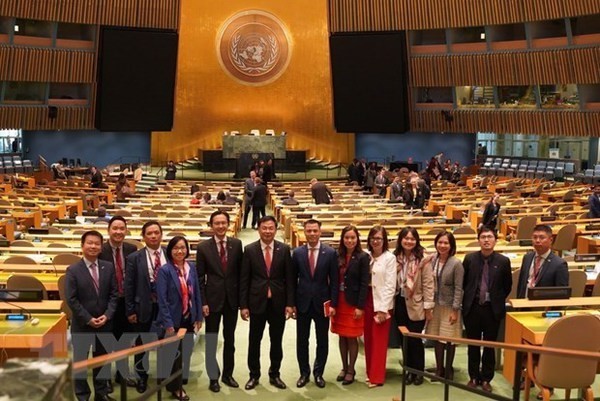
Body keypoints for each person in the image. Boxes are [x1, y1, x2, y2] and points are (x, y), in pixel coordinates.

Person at [239, 216, 295, 390]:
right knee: (254, 341)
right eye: (264, 228)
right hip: (256, 302)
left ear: (276, 229)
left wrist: (290, 303)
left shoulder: (284, 249)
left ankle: (275, 374)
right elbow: (244, 280)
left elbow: (290, 279)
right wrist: (244, 305)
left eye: (271, 228)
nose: (268, 231)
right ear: (259, 229)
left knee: (276, 341)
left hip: (278, 303)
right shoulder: (249, 250)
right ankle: (254, 375)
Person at [66, 230, 118, 401]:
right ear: (82, 245)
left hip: (105, 324)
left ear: (101, 247)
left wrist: (108, 315)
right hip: (82, 325)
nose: (93, 246)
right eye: (89, 242)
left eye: (97, 243)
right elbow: (71, 299)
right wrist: (88, 318)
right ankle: (82, 396)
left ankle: (101, 394)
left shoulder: (108, 267)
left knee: (102, 362)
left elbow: (114, 294)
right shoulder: (73, 269)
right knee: (81, 362)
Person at [196, 211, 243, 393]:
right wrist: (203, 302)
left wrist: (242, 301)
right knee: (211, 339)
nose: (221, 226)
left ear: (228, 224)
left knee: (230, 339)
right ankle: (213, 377)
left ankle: (228, 374)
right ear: (211, 225)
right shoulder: (203, 247)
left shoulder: (237, 245)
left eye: (224, 223)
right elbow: (200, 278)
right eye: (217, 223)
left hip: (232, 300)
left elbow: (241, 275)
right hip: (212, 300)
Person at [462, 227, 512, 392]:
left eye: (489, 237)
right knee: (473, 345)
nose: (486, 240)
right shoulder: (469, 259)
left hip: (492, 309)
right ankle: (474, 376)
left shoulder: (503, 261)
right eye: (483, 237)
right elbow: (465, 283)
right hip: (473, 307)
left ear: (495, 240)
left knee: (489, 345)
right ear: (478, 240)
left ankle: (486, 378)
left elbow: (507, 286)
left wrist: (495, 299)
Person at [293, 219, 338, 389]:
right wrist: (292, 303)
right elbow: (292, 280)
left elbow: (334, 281)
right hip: (302, 302)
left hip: (322, 303)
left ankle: (318, 373)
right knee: (302, 340)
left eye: (315, 231)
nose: (312, 234)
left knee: (322, 340)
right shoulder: (297, 253)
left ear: (320, 232)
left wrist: (333, 303)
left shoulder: (330, 253)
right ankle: (304, 373)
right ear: (304, 232)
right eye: (309, 231)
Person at [156, 236, 203, 401]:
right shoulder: (165, 270)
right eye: (175, 248)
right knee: (173, 355)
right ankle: (175, 388)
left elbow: (196, 293)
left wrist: (198, 316)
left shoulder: (191, 267)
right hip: (172, 320)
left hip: (188, 318)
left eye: (183, 247)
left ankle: (174, 379)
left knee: (185, 352)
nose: (179, 251)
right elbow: (162, 299)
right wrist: (168, 323)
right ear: (170, 251)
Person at [124, 221, 166, 393]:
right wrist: (130, 310)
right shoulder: (134, 258)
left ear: (161, 234)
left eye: (157, 232)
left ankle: (165, 375)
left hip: (165, 308)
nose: (154, 236)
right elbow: (129, 286)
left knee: (166, 342)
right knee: (142, 345)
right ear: (143, 236)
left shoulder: (169, 255)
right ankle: (142, 376)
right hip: (143, 307)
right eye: (149, 233)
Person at [98, 216, 138, 391]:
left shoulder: (132, 249)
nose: (118, 232)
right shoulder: (100, 250)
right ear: (108, 230)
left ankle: (122, 374)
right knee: (105, 341)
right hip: (106, 303)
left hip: (126, 302)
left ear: (126, 230)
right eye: (115, 228)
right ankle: (104, 379)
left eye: (122, 228)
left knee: (125, 340)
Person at [394, 227, 434, 386]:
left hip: (416, 304)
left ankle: (418, 372)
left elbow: (428, 284)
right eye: (406, 238)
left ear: (416, 241)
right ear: (401, 240)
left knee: (415, 341)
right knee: (404, 339)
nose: (409, 241)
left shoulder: (423, 260)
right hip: (399, 303)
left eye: (412, 239)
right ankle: (408, 370)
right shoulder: (396, 257)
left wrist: (428, 307)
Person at [330, 225, 369, 386]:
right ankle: (344, 367)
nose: (350, 241)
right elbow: (333, 280)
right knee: (341, 336)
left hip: (353, 303)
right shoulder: (337, 255)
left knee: (352, 337)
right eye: (347, 238)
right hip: (339, 301)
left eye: (353, 238)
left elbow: (364, 283)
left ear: (357, 239)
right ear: (342, 239)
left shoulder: (362, 257)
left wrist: (360, 307)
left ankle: (351, 369)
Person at [424, 231, 463, 381]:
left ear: (451, 245)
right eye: (440, 242)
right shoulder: (432, 259)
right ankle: (439, 369)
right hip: (435, 305)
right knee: (437, 338)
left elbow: (459, 288)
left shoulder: (456, 263)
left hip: (449, 306)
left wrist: (455, 310)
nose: (442, 245)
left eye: (446, 243)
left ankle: (449, 369)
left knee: (449, 339)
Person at [363, 226, 396, 387]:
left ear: (384, 241)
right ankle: (369, 372)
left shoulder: (389, 258)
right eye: (373, 238)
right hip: (367, 300)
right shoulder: (366, 255)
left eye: (379, 238)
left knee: (379, 341)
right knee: (368, 339)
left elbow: (390, 285)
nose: (376, 241)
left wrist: (383, 309)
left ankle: (377, 377)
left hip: (382, 303)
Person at [516, 224, 568, 299]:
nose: (537, 241)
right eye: (535, 237)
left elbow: (562, 293)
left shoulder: (559, 264)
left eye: (542, 238)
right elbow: (521, 284)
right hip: (524, 302)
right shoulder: (527, 258)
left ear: (550, 240)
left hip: (543, 305)